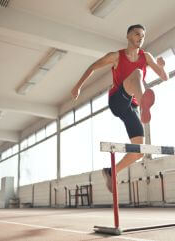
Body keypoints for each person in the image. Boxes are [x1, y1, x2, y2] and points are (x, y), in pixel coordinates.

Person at [71, 24, 169, 192]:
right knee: (137, 73)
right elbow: (93, 66)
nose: (140, 38)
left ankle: (111, 172)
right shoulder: (116, 56)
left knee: (139, 152)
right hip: (117, 100)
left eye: (143, 36)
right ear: (128, 36)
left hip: (132, 108)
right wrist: (78, 86)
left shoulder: (146, 56)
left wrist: (161, 66)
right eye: (137, 34)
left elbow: (164, 77)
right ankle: (143, 102)